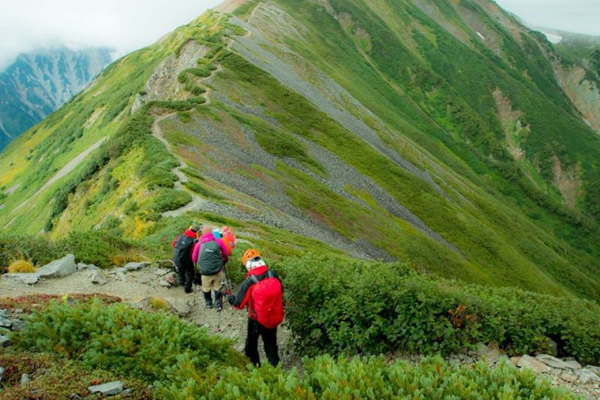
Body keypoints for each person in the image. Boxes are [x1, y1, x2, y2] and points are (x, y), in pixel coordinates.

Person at [227, 249, 283, 367]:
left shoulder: (250, 282)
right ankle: (277, 374)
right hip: (273, 316)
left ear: (248, 266)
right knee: (271, 346)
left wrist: (228, 296)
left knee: (251, 345)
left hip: (256, 319)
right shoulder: (272, 274)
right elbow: (281, 291)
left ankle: (255, 367)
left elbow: (238, 304)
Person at [193, 225, 231, 311]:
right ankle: (218, 303)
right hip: (217, 270)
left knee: (206, 287)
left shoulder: (199, 244)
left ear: (202, 233)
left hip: (205, 272)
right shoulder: (218, 241)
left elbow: (194, 259)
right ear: (211, 233)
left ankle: (208, 303)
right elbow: (226, 253)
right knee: (217, 287)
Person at [172, 224, 201, 294]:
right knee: (190, 273)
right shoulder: (194, 240)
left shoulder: (180, 236)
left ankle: (182, 283)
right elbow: (194, 252)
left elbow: (173, 244)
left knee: (180, 270)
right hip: (187, 258)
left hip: (177, 256)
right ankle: (187, 288)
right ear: (196, 232)